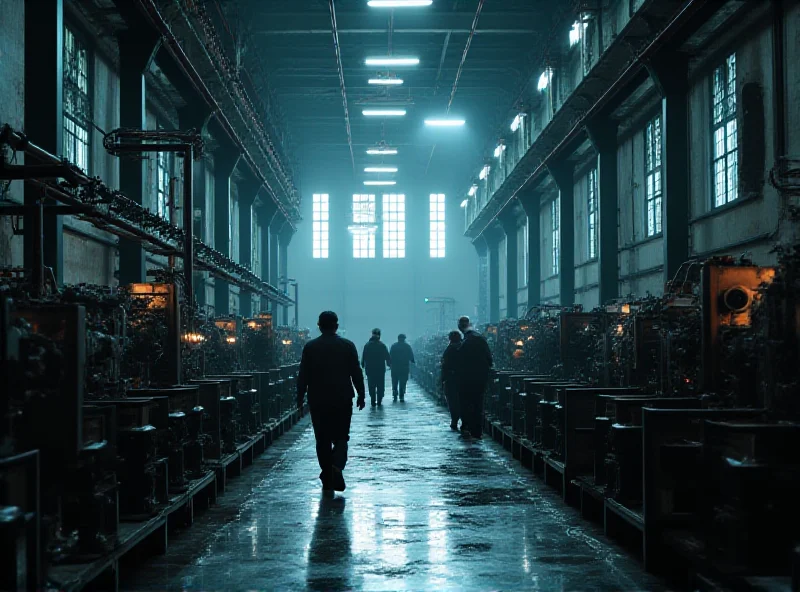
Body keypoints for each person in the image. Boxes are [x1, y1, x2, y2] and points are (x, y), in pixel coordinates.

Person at [297, 311, 366, 492]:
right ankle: (336, 466)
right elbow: (356, 372)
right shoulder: (347, 346)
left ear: (319, 326)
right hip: (342, 398)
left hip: (318, 399)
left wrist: (299, 397)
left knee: (322, 439)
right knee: (342, 437)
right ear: (336, 326)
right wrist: (361, 393)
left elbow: (303, 374)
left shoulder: (310, 347)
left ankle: (327, 474)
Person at [456, 316, 493, 439]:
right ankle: (477, 430)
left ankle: (468, 427)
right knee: (478, 404)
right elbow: (489, 358)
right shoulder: (480, 338)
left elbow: (459, 362)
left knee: (466, 403)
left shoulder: (466, 342)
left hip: (467, 379)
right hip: (481, 377)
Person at [361, 328, 391, 407]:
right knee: (380, 385)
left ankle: (373, 400)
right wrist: (389, 364)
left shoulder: (367, 345)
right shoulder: (382, 345)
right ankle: (379, 400)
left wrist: (363, 365)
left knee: (371, 385)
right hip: (380, 369)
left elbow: (364, 357)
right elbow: (387, 357)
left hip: (370, 369)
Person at [441, 330, 463, 431]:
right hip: (463, 378)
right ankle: (465, 422)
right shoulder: (464, 347)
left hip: (451, 379)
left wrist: (442, 379)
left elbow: (445, 366)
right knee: (463, 400)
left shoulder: (449, 350)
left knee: (452, 401)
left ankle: (454, 420)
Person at [389, 333, 415, 402]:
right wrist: (412, 361)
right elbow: (411, 356)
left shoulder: (394, 346)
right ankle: (401, 394)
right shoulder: (407, 346)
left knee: (395, 381)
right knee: (403, 381)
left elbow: (390, 356)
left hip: (395, 367)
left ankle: (395, 392)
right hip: (404, 367)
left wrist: (389, 364)